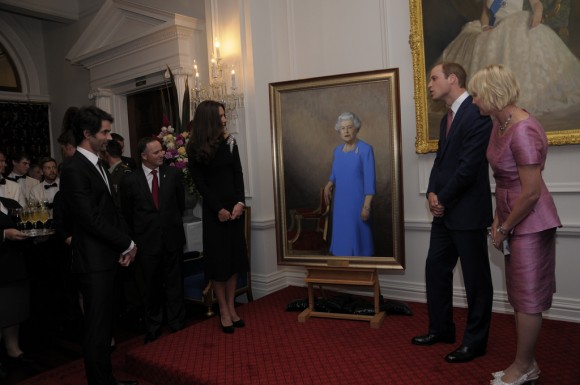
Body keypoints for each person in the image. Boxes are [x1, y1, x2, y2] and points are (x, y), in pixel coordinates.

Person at [468, 64, 561, 385]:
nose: (474, 100)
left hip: (530, 222)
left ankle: (524, 367)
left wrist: (505, 227)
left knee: (528, 298)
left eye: (477, 94)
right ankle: (525, 363)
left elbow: (531, 192)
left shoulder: (523, 130)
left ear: (493, 94)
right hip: (510, 214)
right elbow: (504, 181)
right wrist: (498, 219)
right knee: (519, 296)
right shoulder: (499, 122)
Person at [412, 62, 494, 364]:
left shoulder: (477, 113)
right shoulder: (447, 117)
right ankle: (441, 329)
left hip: (468, 212)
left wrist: (442, 198)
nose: (430, 84)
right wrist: (432, 192)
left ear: (452, 79)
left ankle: (475, 342)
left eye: (434, 78)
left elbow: (469, 167)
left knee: (476, 281)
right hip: (444, 212)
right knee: (436, 269)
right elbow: (441, 162)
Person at [59, 106, 138, 385]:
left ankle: (108, 378)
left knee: (105, 327)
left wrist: (126, 244)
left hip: (107, 256)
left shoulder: (100, 164)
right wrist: (126, 242)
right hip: (92, 262)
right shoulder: (73, 168)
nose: (108, 137)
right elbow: (90, 219)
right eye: (104, 132)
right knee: (96, 329)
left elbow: (113, 212)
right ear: (87, 133)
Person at [439, 0, 580, 116]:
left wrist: (537, 14)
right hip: (496, 30)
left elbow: (537, 4)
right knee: (477, 41)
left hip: (517, 26)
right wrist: (486, 26)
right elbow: (485, 15)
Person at [187, 100, 248, 334]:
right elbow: (200, 184)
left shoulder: (230, 141)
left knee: (233, 263)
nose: (224, 119)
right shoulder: (194, 147)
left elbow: (238, 174)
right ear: (210, 118)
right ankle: (223, 309)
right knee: (220, 264)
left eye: (225, 115)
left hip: (235, 211)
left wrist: (240, 203)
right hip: (215, 215)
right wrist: (218, 210)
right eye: (221, 116)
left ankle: (232, 307)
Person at [120, 137, 186, 343]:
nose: (162, 154)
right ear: (143, 156)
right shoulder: (130, 180)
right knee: (150, 287)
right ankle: (154, 326)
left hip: (172, 239)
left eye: (162, 150)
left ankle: (177, 323)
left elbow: (180, 205)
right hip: (146, 243)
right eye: (156, 152)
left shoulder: (173, 174)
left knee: (175, 284)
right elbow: (126, 213)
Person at [323, 112, 375, 256]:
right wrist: (329, 183)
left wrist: (366, 207)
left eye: (349, 127)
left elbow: (370, 181)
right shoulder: (337, 151)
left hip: (357, 203)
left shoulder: (366, 149)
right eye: (343, 128)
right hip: (340, 204)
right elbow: (335, 173)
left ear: (356, 129)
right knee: (342, 241)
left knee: (358, 243)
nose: (346, 131)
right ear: (339, 131)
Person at [0, 198, 38, 377]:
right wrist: (4, 234)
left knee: (14, 310)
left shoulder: (9, 203)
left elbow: (26, 224)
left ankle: (13, 350)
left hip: (15, 266)